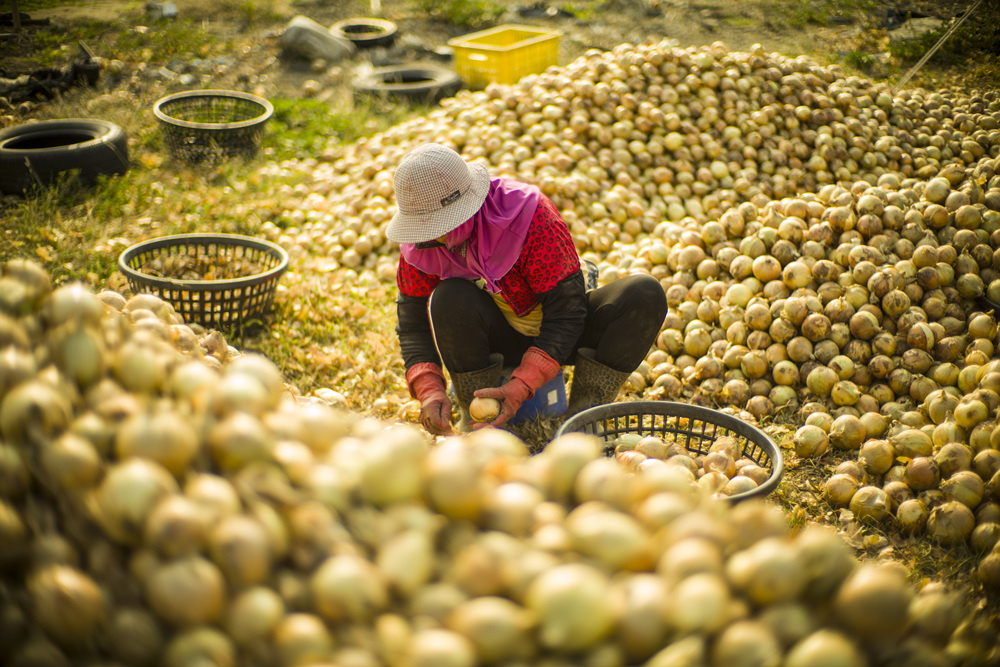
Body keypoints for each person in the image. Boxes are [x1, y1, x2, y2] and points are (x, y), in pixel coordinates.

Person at [387, 143, 667, 435]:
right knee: (450, 298)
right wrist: (429, 391)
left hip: (559, 333)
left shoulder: (528, 217)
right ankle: (478, 421)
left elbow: (567, 313)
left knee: (643, 294)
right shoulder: (420, 246)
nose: (436, 238)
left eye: (440, 226)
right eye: (426, 229)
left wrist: (524, 383)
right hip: (496, 339)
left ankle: (583, 421)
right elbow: (412, 324)